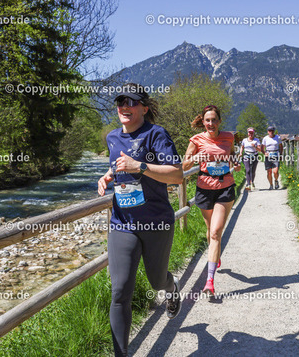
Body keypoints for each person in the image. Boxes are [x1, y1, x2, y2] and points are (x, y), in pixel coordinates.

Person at [97, 84, 184, 357]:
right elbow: (118, 165)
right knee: (120, 290)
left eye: (131, 102)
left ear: (144, 108)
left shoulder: (156, 134)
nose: (124, 106)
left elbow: (177, 175)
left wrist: (140, 166)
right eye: (120, 101)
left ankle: (171, 288)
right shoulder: (112, 137)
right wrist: (108, 176)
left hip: (156, 222)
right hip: (122, 223)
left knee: (157, 282)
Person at [183, 105, 240, 296]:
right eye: (207, 120)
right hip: (205, 189)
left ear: (219, 121)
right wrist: (196, 157)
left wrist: (235, 163)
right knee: (210, 231)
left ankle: (209, 281)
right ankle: (215, 254)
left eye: (214, 120)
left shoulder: (228, 137)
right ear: (203, 122)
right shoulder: (196, 140)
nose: (211, 123)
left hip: (225, 187)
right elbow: (184, 165)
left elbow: (231, 154)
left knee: (215, 232)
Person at [261, 125, 283, 190]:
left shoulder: (278, 137)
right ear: (268, 132)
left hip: (275, 154)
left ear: (274, 131)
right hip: (268, 155)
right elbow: (262, 148)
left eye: (272, 131)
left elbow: (281, 146)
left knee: (275, 171)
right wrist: (264, 153)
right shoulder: (265, 138)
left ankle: (276, 180)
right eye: (270, 131)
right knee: (269, 172)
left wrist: (281, 154)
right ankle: (271, 185)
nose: (271, 132)